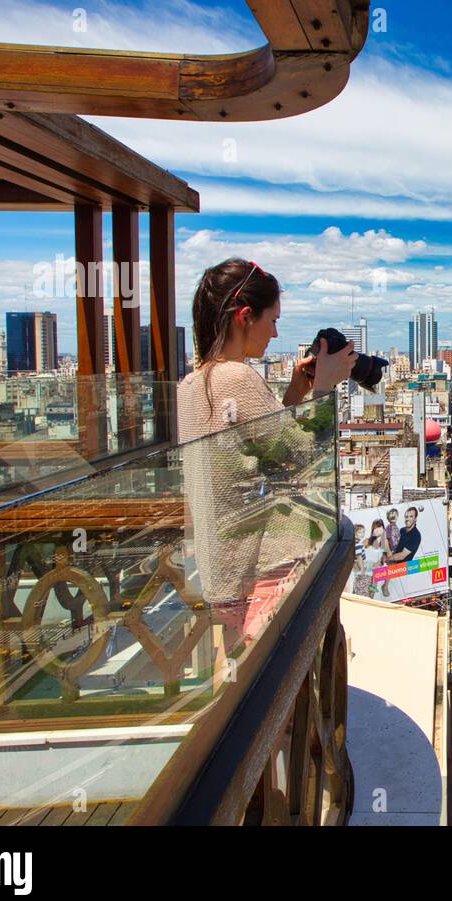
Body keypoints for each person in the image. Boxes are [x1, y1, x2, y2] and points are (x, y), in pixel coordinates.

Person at [179, 258, 356, 653]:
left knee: (237, 669)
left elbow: (260, 450)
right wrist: (325, 389)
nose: (275, 333)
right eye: (272, 320)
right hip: (253, 567)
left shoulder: (191, 384)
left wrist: (295, 395)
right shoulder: (238, 379)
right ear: (245, 316)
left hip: (217, 570)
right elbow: (306, 457)